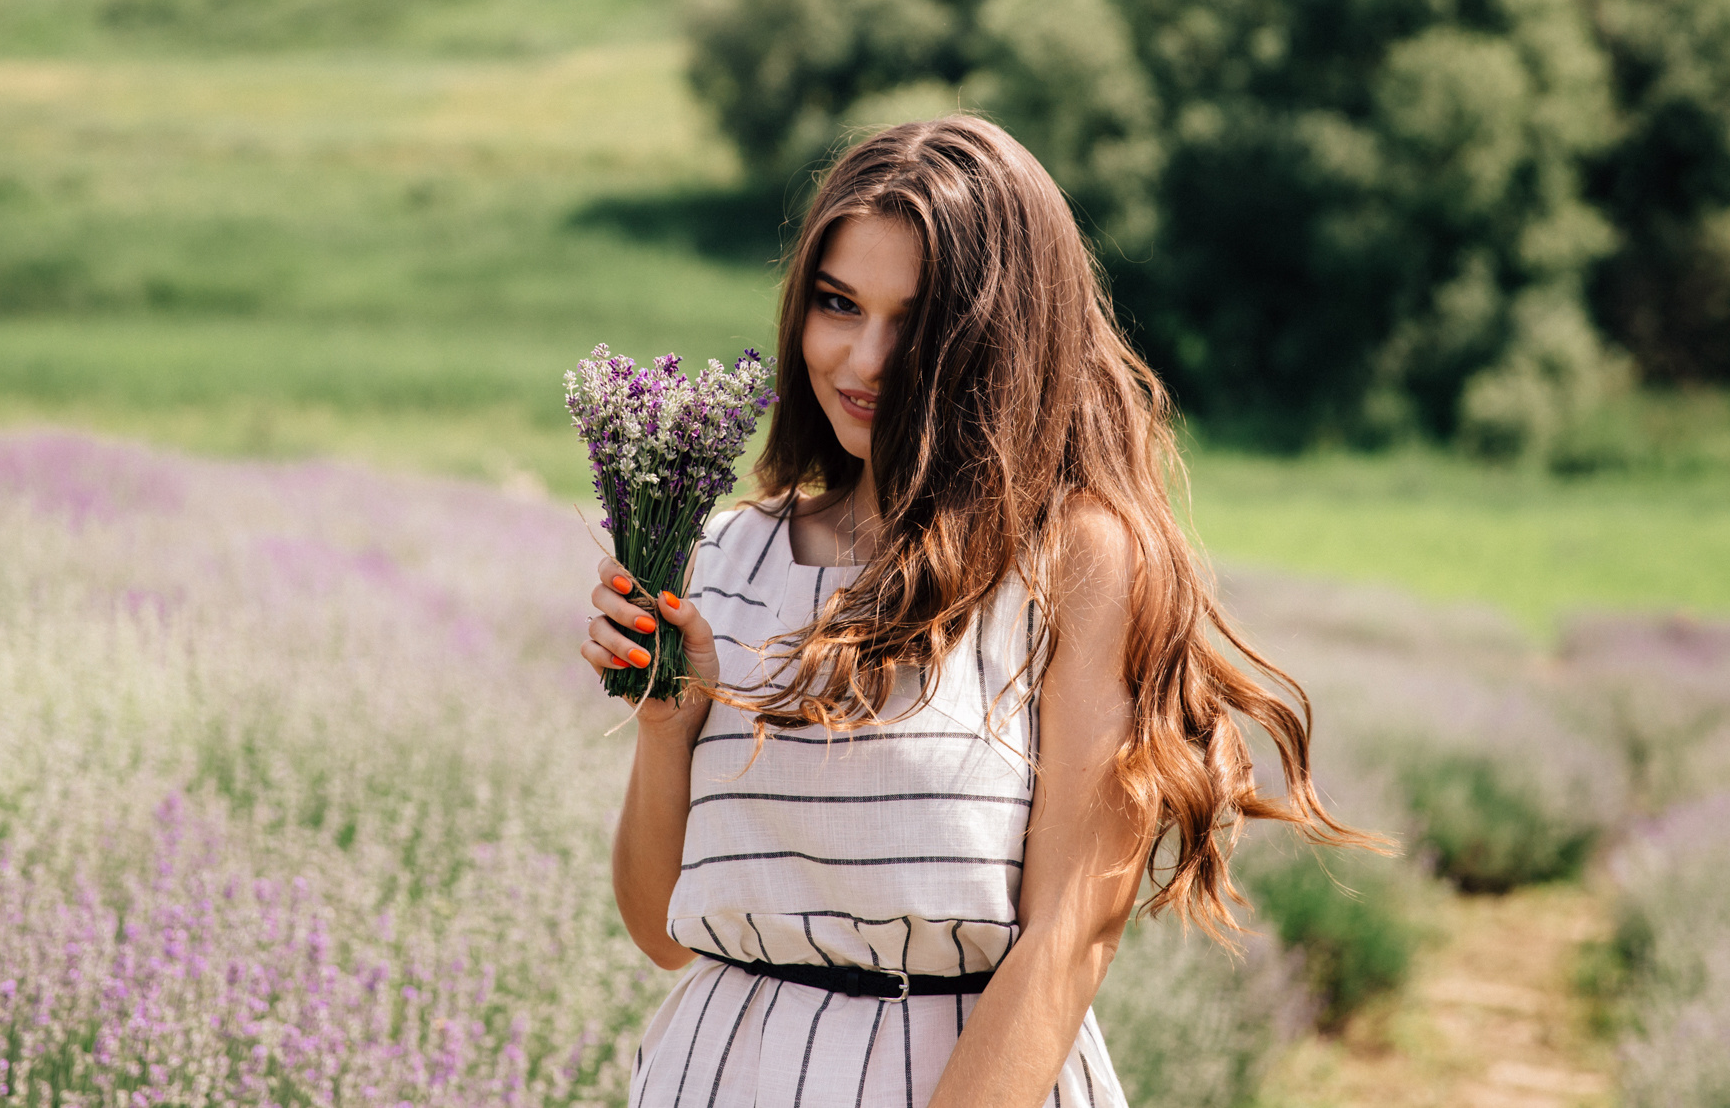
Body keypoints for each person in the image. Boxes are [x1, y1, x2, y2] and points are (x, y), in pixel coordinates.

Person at [579, 117, 1365, 1108]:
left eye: (914, 322)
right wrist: (667, 724)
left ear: (998, 338)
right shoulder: (731, 548)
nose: (864, 359)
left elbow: (1069, 935)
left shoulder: (1078, 558)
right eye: (837, 304)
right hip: (713, 1075)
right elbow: (661, 930)